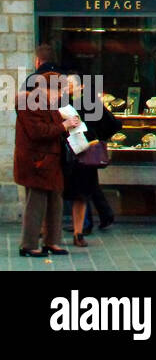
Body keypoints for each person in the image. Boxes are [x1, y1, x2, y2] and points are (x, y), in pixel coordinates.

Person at [15, 45, 78, 256]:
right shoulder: (29, 103)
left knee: (55, 202)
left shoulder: (49, 104)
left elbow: (51, 128)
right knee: (36, 204)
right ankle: (29, 244)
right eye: (57, 90)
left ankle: (53, 241)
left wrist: (68, 124)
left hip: (51, 160)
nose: (60, 95)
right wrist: (64, 126)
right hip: (36, 161)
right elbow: (37, 132)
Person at [61, 79, 122, 247]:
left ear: (81, 86)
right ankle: (81, 228)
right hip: (67, 155)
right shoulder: (61, 102)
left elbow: (114, 124)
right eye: (65, 84)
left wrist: (95, 136)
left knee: (81, 194)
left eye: (70, 84)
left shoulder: (88, 103)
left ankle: (79, 231)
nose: (67, 87)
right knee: (73, 193)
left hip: (83, 154)